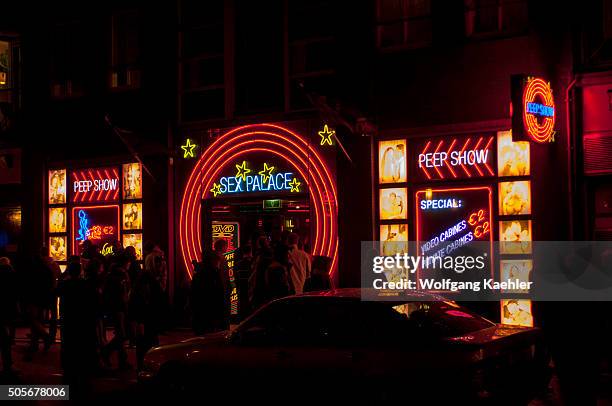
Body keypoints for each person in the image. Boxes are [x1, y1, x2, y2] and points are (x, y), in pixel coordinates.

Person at [57, 261, 97, 396]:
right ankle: (82, 376)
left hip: (68, 320)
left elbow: (55, 292)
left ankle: (69, 374)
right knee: (81, 347)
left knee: (69, 346)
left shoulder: (65, 284)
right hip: (82, 321)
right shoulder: (85, 284)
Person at [129, 262, 163, 370]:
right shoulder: (155, 286)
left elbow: (134, 307)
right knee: (152, 344)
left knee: (142, 346)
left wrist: (137, 322)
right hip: (151, 321)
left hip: (143, 322)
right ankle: (151, 367)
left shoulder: (136, 290)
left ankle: (142, 367)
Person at [101, 254, 131, 369]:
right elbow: (122, 294)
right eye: (128, 262)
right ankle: (108, 353)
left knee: (121, 334)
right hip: (119, 308)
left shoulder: (112, 274)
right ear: (124, 263)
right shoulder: (120, 276)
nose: (129, 264)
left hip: (116, 308)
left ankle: (121, 359)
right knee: (122, 334)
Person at [190, 251, 227, 334]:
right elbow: (218, 292)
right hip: (209, 311)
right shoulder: (214, 273)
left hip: (200, 311)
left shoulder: (199, 272)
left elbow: (193, 291)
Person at [0, 257, 17, 375]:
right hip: (8, 306)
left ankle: (8, 365)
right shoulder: (11, 273)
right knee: (4, 339)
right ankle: (7, 366)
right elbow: (15, 291)